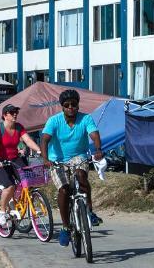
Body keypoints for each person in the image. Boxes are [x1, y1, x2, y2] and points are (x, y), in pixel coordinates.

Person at [38, 89, 104, 231]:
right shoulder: (54, 121)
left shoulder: (86, 119)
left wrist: (98, 150)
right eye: (67, 105)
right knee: (64, 190)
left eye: (73, 104)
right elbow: (44, 140)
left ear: (78, 105)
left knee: (81, 176)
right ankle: (66, 227)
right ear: (62, 107)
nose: (70, 108)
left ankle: (89, 212)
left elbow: (94, 134)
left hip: (78, 157)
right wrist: (45, 159)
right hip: (57, 160)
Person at [0, 104, 44, 226]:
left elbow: (28, 140)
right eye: (12, 112)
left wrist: (40, 151)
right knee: (10, 186)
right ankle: (2, 211)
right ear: (5, 115)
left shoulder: (19, 127)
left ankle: (16, 201)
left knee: (28, 180)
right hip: (0, 161)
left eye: (16, 112)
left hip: (14, 158)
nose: (15, 114)